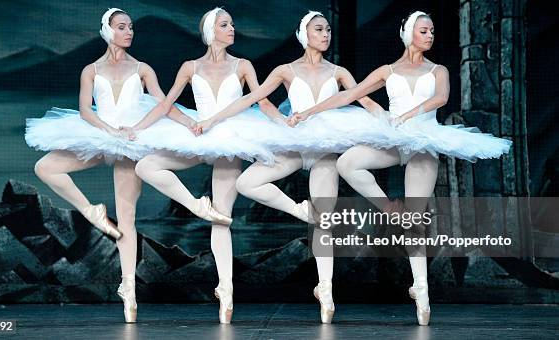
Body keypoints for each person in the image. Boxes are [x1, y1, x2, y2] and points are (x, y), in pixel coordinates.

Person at [291, 11, 512, 326]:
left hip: (422, 139)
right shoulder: (387, 70)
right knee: (347, 162)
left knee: (415, 220)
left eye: (432, 31)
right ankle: (389, 208)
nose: (430, 35)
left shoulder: (438, 70)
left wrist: (408, 116)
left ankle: (420, 288)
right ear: (409, 33)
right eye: (424, 30)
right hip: (392, 140)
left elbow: (441, 98)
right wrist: (308, 112)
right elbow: (349, 95)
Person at [194, 11, 397, 324]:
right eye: (319, 29)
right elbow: (256, 98)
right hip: (294, 143)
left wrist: (387, 118)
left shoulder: (339, 71)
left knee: (324, 218)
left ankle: (325, 289)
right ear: (305, 34)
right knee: (248, 183)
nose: (326, 34)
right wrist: (214, 119)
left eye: (328, 29)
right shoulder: (286, 70)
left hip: (326, 148)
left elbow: (363, 99)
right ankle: (297, 209)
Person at [25, 8, 197, 323]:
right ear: (108, 31)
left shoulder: (143, 68)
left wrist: (189, 122)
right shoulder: (91, 70)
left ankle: (128, 288)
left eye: (130, 27)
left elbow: (162, 104)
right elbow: (84, 110)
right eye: (122, 27)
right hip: (101, 136)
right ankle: (91, 211)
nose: (129, 31)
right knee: (45, 167)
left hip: (133, 141)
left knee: (127, 221)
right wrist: (107, 130)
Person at [127, 7, 289, 324]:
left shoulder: (243, 65)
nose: (232, 29)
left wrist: (284, 122)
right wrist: (146, 127)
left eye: (232, 24)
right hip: (200, 134)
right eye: (225, 24)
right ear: (211, 30)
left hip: (231, 139)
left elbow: (261, 99)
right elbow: (165, 103)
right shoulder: (190, 66)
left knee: (223, 218)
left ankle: (225, 289)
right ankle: (196, 206)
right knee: (146, 165)